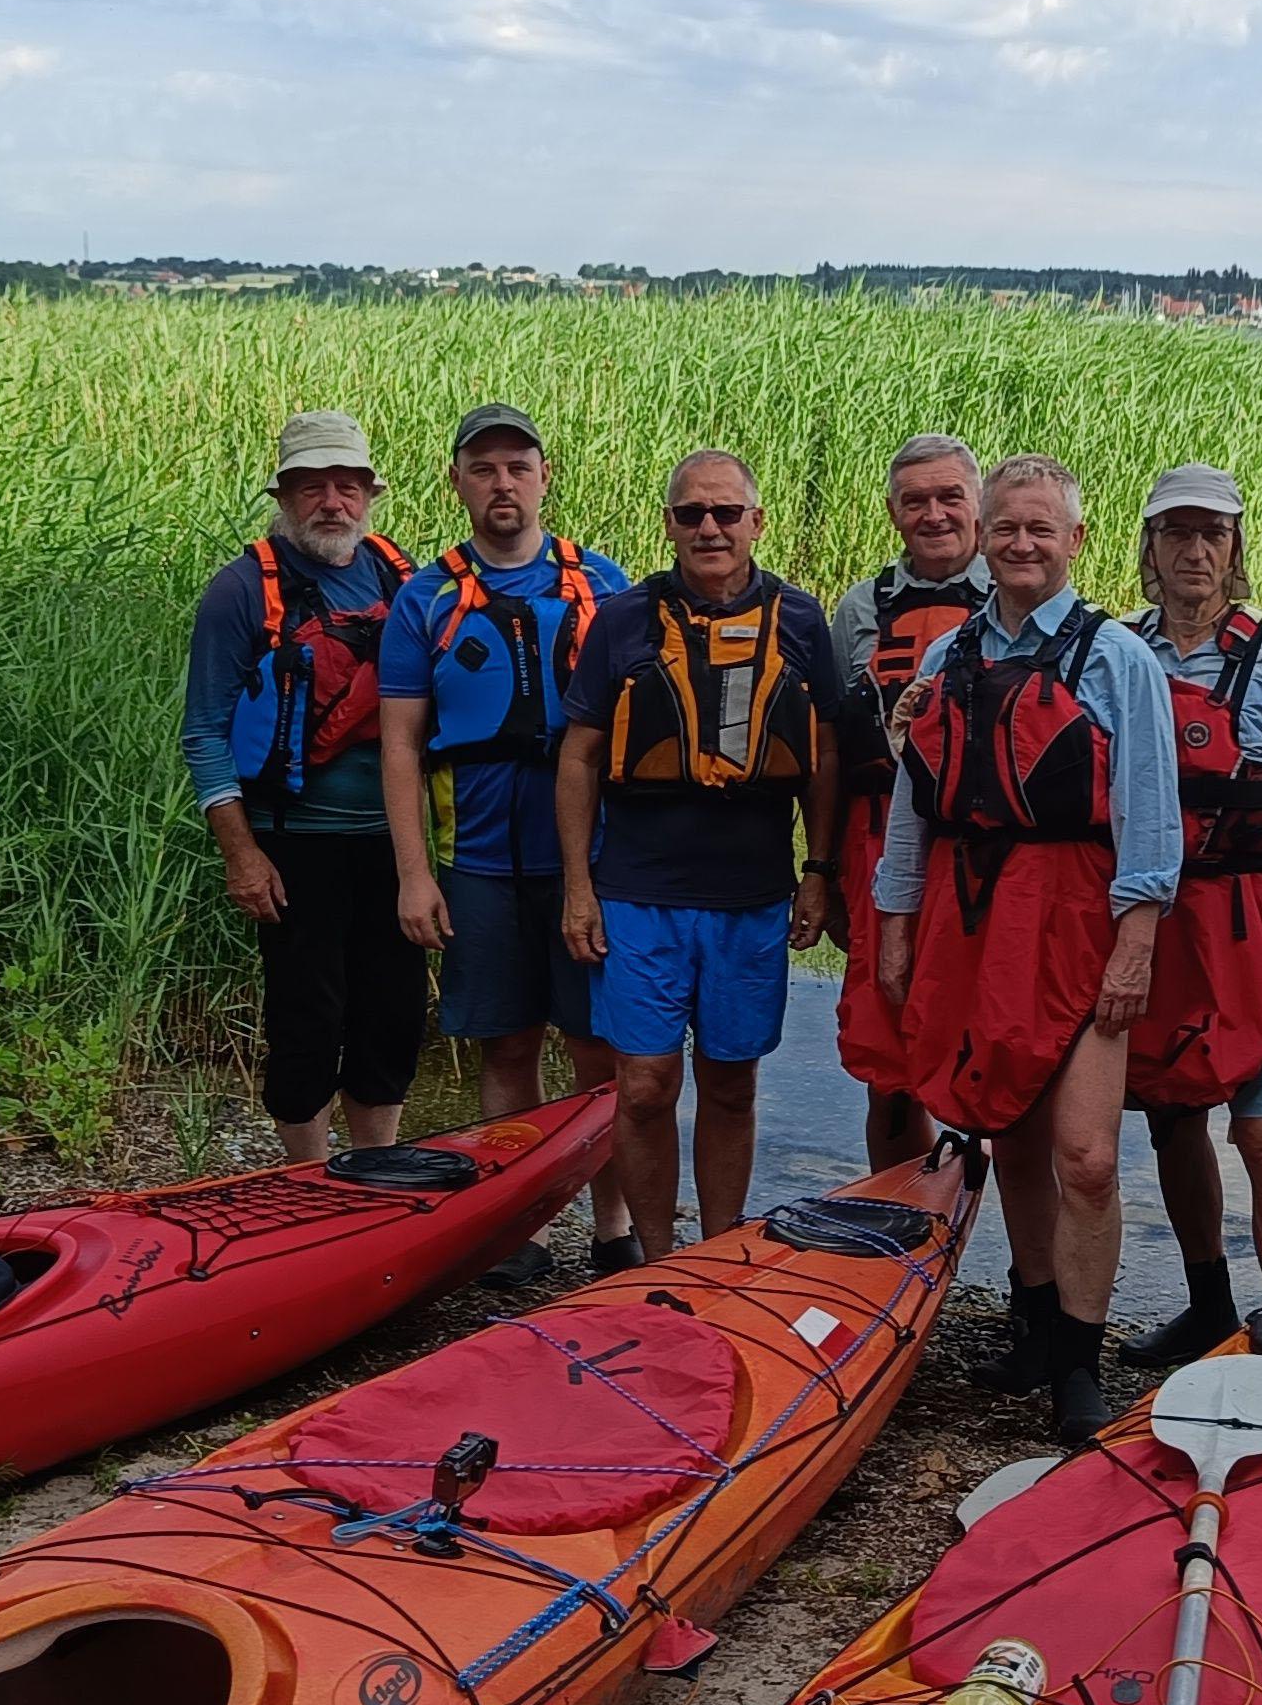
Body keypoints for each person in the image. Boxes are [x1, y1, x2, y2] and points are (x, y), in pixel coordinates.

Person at [874, 454, 1181, 1446]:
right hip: (971, 914)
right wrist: (893, 924)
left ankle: (1080, 1362)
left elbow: (1149, 812)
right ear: (982, 535)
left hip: (1079, 911)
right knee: (1003, 1120)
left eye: (1042, 529)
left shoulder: (1118, 660)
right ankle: (1035, 1315)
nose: (1021, 544)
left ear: (1075, 542)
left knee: (1085, 1155)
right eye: (1006, 527)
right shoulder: (943, 659)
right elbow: (910, 812)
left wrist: (1135, 940)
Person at [558, 450, 841, 1264]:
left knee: (730, 1082)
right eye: (691, 514)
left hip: (750, 894)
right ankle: (653, 1254)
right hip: (638, 892)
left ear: (756, 522)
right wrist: (579, 887)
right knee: (643, 1087)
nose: (709, 528)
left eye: (725, 513)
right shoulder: (623, 620)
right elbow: (578, 757)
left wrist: (818, 872)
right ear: (670, 525)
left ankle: (716, 1253)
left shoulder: (800, 620)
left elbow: (820, 754)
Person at [379, 403, 635, 1277]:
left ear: (545, 476)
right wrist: (416, 877)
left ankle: (614, 1225)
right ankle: (521, 1227)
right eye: (483, 469)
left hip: (589, 860)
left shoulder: (603, 586)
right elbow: (402, 747)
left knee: (599, 1046)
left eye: (518, 467)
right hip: (479, 859)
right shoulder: (426, 599)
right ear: (457, 481)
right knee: (509, 1044)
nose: (503, 484)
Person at [1121, 463, 1262, 1372]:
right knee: (1172, 1117)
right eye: (1176, 532)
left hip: (1255, 924)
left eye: (1212, 533)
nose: (1195, 550)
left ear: (1236, 548)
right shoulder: (1117, 652)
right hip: (1161, 921)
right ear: (1150, 549)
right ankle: (1208, 1303)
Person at [185, 411, 423, 1164]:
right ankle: (308, 1178)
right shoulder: (240, 592)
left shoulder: (399, 574)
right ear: (284, 495)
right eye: (313, 486)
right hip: (295, 845)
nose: (333, 502)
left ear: (369, 495)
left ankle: (376, 1167)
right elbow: (205, 733)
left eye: (348, 486)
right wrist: (242, 856)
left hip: (393, 842)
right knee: (306, 1019)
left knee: (391, 1013)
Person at [825, 434, 994, 1169]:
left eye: (950, 496)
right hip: (877, 843)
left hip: (986, 853)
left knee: (994, 1049)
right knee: (887, 1057)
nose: (934, 514)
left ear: (978, 508)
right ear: (892, 513)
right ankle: (897, 1213)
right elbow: (832, 746)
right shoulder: (861, 610)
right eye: (916, 501)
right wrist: (822, 870)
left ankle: (1017, 1256)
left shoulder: (1021, 595)